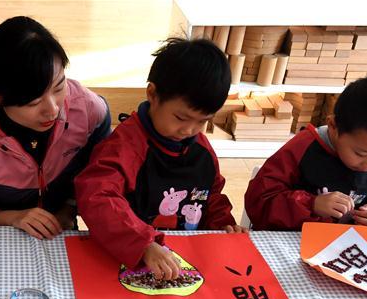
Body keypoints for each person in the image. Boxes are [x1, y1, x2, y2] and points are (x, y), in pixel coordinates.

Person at [76, 37, 242, 278]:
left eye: (203, 121)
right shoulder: (125, 146)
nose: (189, 130)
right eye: (181, 118)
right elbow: (96, 196)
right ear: (152, 94)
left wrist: (222, 225)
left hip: (187, 260)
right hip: (131, 259)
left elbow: (210, 194)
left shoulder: (201, 149)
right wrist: (143, 243)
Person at [0, 16, 110, 239]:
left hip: (59, 233)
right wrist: (13, 217)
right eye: (33, 102)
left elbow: (98, 177)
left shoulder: (89, 111)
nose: (53, 110)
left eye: (59, 87)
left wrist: (68, 209)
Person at [245, 73, 367, 231]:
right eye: (361, 154)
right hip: (294, 243)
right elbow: (259, 202)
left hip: (350, 251)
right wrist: (311, 204)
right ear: (333, 126)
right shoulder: (302, 149)